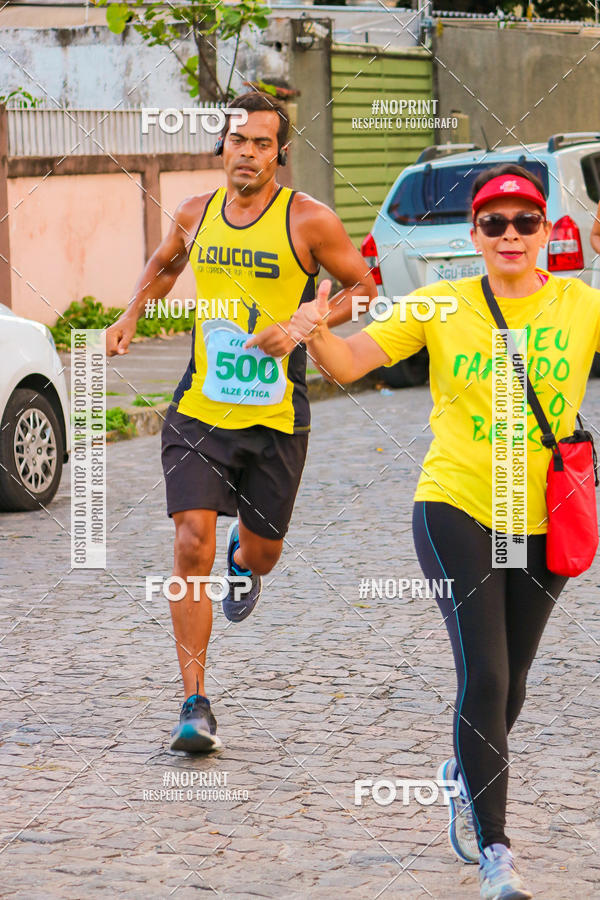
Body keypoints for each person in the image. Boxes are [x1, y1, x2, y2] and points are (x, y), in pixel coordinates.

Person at [289, 163, 600, 900]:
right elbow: (353, 360)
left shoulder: (579, 305)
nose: (511, 235)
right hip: (455, 502)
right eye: (495, 223)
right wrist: (313, 332)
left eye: (526, 221)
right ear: (477, 236)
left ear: (546, 229)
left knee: (512, 684)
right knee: (485, 676)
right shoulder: (440, 305)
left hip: (542, 514)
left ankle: (466, 774)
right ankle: (497, 854)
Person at [106, 91, 377, 754]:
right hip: (199, 408)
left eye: (261, 143)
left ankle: (245, 561)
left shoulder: (310, 221)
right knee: (190, 543)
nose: (248, 153)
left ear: (279, 153)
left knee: (262, 551)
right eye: (238, 141)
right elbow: (166, 261)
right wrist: (133, 312)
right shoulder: (197, 213)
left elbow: (366, 286)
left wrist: (308, 322)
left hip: (276, 417)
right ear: (223, 147)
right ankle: (194, 703)